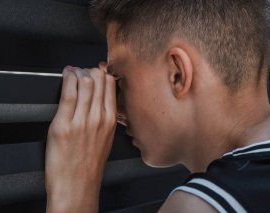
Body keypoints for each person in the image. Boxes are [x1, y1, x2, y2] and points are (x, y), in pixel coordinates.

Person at [45, 0, 270, 212]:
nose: (116, 112)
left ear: (178, 74)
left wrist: (74, 196)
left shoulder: (198, 206)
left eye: (120, 80)